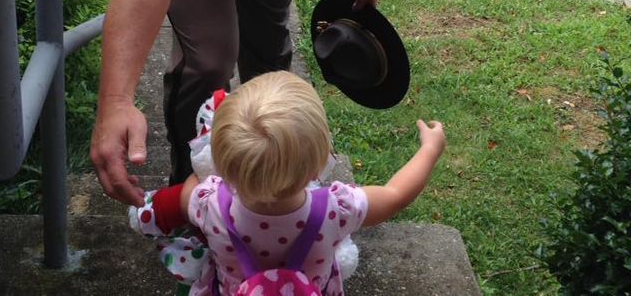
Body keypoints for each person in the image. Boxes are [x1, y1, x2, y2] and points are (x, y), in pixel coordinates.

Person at [90, 0, 405, 207]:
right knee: (208, 65)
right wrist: (116, 102)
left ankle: (279, 187)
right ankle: (191, 191)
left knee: (270, 57)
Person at [129, 71, 446, 295]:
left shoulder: (207, 202)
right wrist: (430, 150)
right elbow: (396, 194)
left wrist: (149, 208)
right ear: (319, 161)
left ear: (219, 161)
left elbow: (178, 200)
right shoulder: (338, 209)